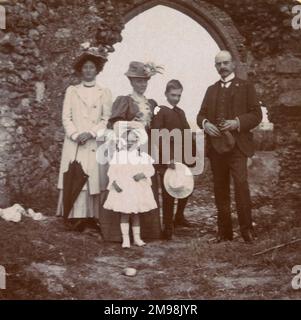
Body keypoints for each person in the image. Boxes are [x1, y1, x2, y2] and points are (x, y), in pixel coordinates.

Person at [197, 50, 262, 243]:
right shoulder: (211, 90)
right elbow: (201, 115)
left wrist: (237, 123)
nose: (222, 67)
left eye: (225, 63)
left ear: (233, 64)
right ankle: (224, 233)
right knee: (220, 188)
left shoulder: (246, 87)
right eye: (218, 64)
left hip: (238, 148)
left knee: (241, 187)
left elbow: (256, 115)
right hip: (217, 148)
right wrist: (206, 124)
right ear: (215, 67)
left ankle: (247, 231)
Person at [100, 61, 163, 242]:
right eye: (138, 81)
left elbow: (157, 127)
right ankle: (121, 235)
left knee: (143, 187)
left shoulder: (151, 103)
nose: (142, 85)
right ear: (131, 82)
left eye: (145, 82)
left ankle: (146, 233)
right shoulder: (124, 100)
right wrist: (131, 125)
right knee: (126, 188)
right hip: (128, 149)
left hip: (145, 150)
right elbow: (114, 124)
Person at [56, 47, 113, 231]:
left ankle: (92, 217)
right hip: (76, 142)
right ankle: (74, 216)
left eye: (92, 67)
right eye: (85, 67)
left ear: (97, 70)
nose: (88, 70)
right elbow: (66, 117)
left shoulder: (104, 92)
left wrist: (92, 133)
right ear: (81, 70)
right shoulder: (72, 91)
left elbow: (106, 119)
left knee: (93, 178)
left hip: (93, 142)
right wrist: (75, 134)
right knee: (75, 175)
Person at [152, 80, 195, 240]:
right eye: (173, 95)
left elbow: (186, 133)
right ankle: (167, 227)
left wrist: (192, 157)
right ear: (166, 94)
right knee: (169, 192)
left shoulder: (180, 112)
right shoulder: (160, 111)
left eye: (179, 95)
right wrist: (166, 157)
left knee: (185, 187)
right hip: (167, 159)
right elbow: (157, 135)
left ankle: (179, 217)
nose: (176, 98)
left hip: (182, 158)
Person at [104, 128, 157, 248]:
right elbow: (112, 171)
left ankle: (137, 238)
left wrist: (142, 174)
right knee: (125, 213)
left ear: (138, 141)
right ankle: (126, 239)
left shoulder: (143, 156)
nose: (129, 143)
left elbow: (150, 170)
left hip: (137, 188)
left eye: (133, 141)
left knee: (136, 213)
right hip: (124, 188)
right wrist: (114, 182)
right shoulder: (119, 155)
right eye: (127, 141)